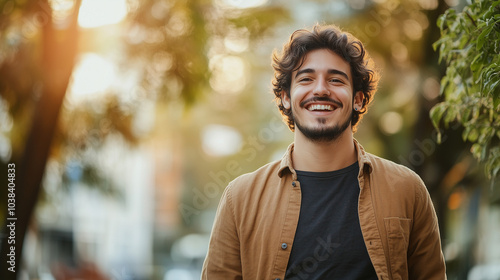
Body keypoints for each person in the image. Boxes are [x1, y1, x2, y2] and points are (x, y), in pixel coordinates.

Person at [201, 24, 446, 280]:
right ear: (286, 97)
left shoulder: (407, 190)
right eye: (306, 79)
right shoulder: (239, 199)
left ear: (358, 99)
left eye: (336, 79)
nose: (320, 89)